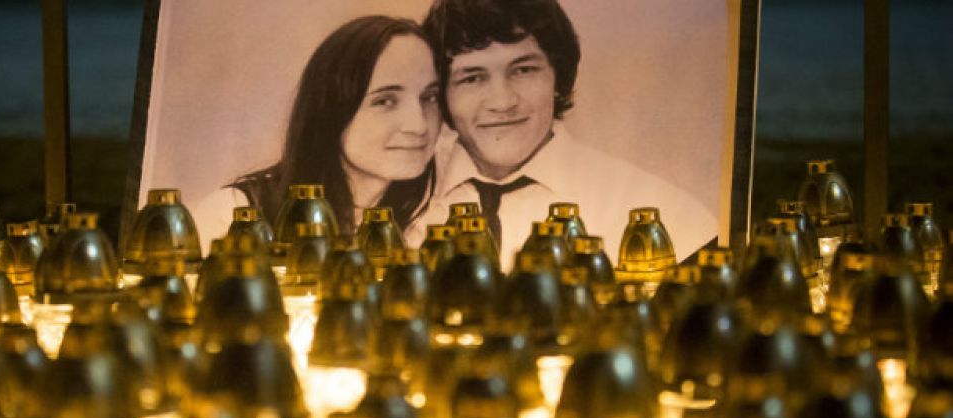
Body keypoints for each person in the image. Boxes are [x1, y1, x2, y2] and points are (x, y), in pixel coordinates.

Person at [418, 0, 717, 271]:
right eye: (472, 78)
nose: (502, 102)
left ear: (558, 78)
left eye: (523, 70)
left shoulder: (671, 217)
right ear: (442, 94)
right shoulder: (401, 200)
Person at [192, 16, 442, 255]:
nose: (418, 125)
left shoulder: (433, 222)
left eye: (430, 97)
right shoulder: (231, 215)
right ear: (331, 108)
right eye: (385, 101)